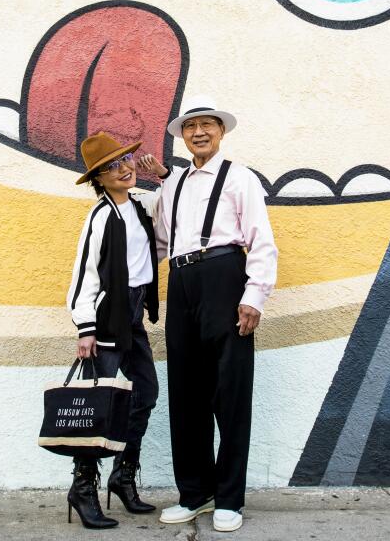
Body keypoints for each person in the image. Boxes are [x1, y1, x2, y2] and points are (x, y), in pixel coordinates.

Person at [137, 96, 277, 534]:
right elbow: (161, 241)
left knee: (230, 393)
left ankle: (229, 498)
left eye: (207, 126)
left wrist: (254, 295)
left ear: (220, 132)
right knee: (186, 392)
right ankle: (194, 493)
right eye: (191, 126)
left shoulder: (240, 178)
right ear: (181, 136)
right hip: (181, 283)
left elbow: (261, 239)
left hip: (224, 277)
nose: (199, 132)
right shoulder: (173, 185)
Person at [64, 132, 161, 529]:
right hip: (105, 321)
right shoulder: (100, 217)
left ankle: (123, 475)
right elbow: (83, 274)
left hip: (133, 317)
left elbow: (173, 205)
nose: (123, 169)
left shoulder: (140, 206)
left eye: (125, 161)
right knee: (98, 407)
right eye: (111, 167)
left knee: (146, 393)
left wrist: (164, 174)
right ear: (97, 180)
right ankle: (83, 488)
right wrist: (85, 327)